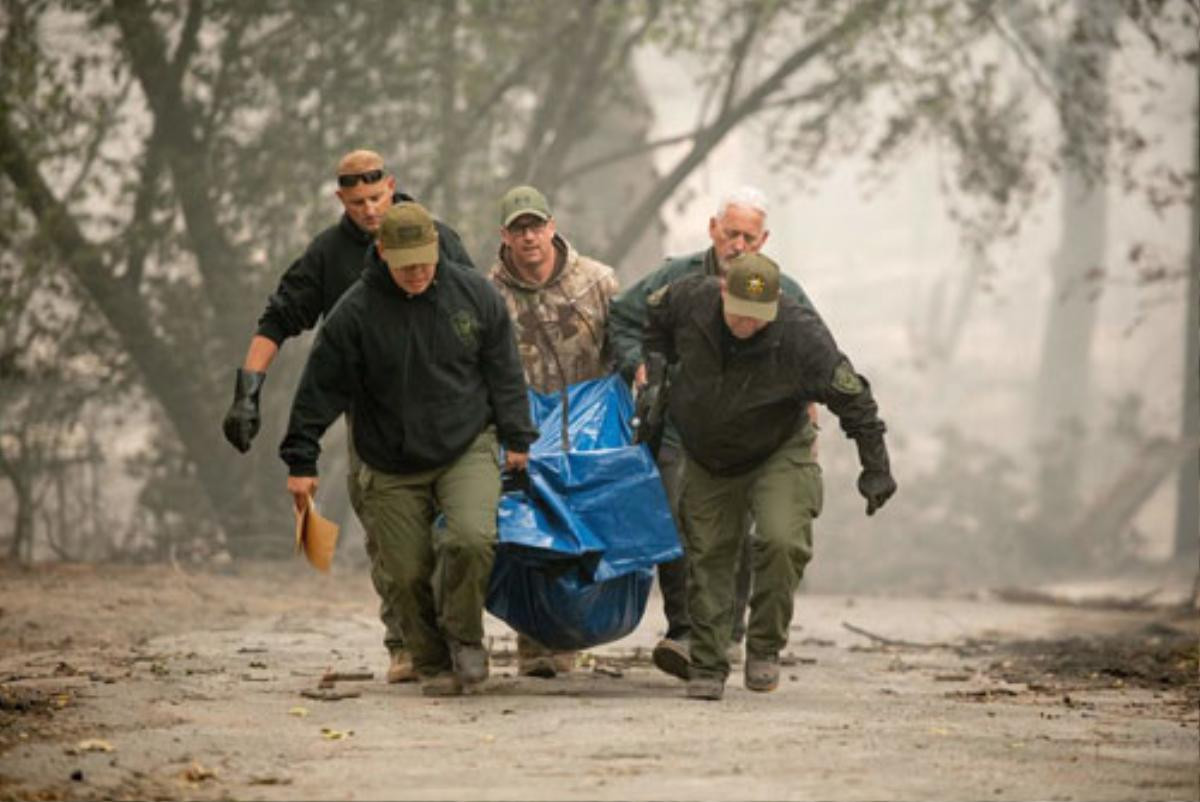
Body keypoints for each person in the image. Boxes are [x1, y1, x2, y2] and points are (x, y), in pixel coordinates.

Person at [221, 149, 474, 684]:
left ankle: (453, 635)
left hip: (443, 405)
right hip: (375, 414)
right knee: (388, 532)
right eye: (357, 202)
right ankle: (403, 642)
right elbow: (279, 317)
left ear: (392, 186)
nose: (369, 209)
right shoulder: (330, 255)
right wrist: (249, 391)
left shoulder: (438, 238)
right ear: (342, 200)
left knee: (455, 529)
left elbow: (479, 313)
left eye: (377, 197)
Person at [279, 201, 538, 697]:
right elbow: (319, 389)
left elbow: (504, 370)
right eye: (406, 265)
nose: (417, 273)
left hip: (465, 443)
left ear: (438, 249)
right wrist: (301, 458)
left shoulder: (475, 296)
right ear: (382, 253)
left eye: (425, 261)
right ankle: (430, 658)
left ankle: (464, 636)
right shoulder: (354, 313)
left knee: (470, 539)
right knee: (404, 571)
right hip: (389, 457)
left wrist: (518, 436)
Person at [643, 251, 897, 700]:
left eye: (758, 317)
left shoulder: (802, 336)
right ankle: (707, 662)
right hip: (708, 452)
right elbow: (654, 320)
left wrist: (875, 467)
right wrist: (658, 377)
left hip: (778, 447)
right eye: (739, 313)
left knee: (781, 540)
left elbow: (854, 399)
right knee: (708, 554)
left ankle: (764, 645)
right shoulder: (688, 299)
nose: (747, 325)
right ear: (722, 291)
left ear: (776, 302)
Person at [607, 186, 820, 681]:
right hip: (683, 427)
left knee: (745, 531)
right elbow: (623, 316)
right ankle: (685, 629)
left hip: (758, 438)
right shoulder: (675, 277)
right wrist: (638, 365)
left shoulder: (784, 290)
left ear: (763, 240)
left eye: (749, 236)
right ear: (712, 230)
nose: (738, 245)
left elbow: (814, 353)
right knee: (680, 520)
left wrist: (810, 412)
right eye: (731, 234)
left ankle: (729, 633)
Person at [486, 184, 621, 678]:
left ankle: (572, 634)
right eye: (518, 229)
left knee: (584, 537)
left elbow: (623, 345)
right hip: (523, 431)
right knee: (529, 537)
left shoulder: (598, 281)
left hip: (589, 432)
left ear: (552, 227)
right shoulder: (490, 293)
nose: (529, 238)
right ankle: (534, 642)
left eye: (536, 226)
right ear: (504, 235)